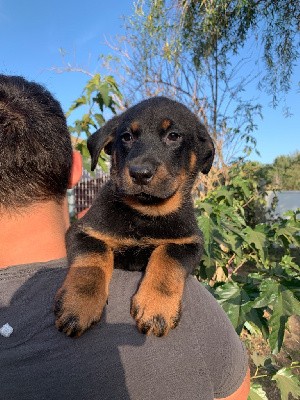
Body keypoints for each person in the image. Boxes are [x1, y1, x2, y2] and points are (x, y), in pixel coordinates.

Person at [0, 74, 250, 400]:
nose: (141, 164)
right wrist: (89, 281)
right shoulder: (105, 215)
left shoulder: (182, 230)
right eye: (128, 141)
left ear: (199, 155)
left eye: (173, 136)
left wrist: (163, 282)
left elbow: (188, 247)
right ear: (102, 154)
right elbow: (87, 237)